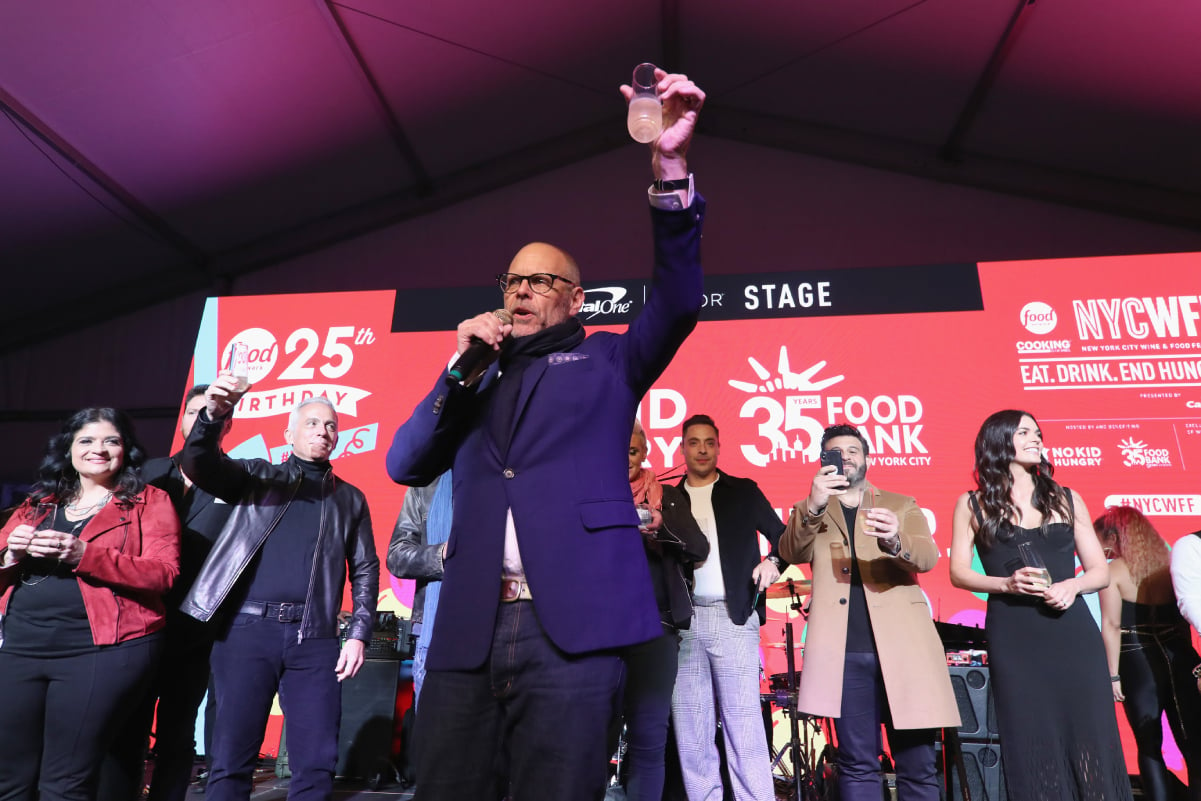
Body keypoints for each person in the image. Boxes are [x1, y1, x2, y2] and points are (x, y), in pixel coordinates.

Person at [385, 68, 707, 801]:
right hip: (467, 625)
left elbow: (681, 297)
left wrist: (669, 172)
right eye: (512, 280)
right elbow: (404, 461)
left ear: (575, 299)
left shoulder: (607, 360)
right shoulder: (476, 376)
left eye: (540, 280)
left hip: (572, 627)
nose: (521, 289)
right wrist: (455, 371)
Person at [179, 384, 379, 801]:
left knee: (316, 763)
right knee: (230, 759)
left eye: (330, 425)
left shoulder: (350, 499)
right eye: (311, 423)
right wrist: (212, 417)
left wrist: (359, 633)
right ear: (289, 434)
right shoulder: (257, 476)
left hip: (316, 640)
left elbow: (364, 568)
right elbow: (199, 463)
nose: (322, 431)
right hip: (246, 632)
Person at [949, 409, 1131, 801]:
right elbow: (958, 573)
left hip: (1072, 634)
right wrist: (1006, 583)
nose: (1037, 438)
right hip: (1015, 637)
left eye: (1038, 432)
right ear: (999, 442)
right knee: (1032, 740)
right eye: (1025, 432)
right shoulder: (972, 504)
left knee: (1091, 735)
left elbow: (1099, 570)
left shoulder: (1066, 497)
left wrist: (1073, 586)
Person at [0, 407, 181, 801]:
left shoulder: (149, 502)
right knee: (9, 779)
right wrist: (10, 555)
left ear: (125, 450)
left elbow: (163, 574)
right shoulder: (38, 503)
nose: (97, 450)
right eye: (86, 441)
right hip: (19, 647)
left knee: (64, 782)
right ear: (68, 450)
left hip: (98, 649)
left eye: (110, 441)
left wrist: (83, 553)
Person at [779, 424, 958, 801]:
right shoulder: (809, 509)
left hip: (905, 650)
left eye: (852, 450)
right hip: (843, 652)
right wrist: (812, 505)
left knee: (918, 767)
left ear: (868, 458)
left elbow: (926, 557)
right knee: (857, 765)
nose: (845, 457)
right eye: (835, 452)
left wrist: (895, 540)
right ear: (822, 462)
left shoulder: (900, 503)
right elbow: (791, 552)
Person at [100, 385, 237, 801]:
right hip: (137, 621)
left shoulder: (237, 481)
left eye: (210, 413)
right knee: (126, 726)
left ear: (226, 424)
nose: (201, 419)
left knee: (178, 734)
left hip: (194, 630)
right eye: (194, 411)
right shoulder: (146, 474)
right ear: (182, 420)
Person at [670, 413, 785, 801]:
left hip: (733, 617)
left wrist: (774, 562)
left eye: (709, 442)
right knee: (691, 728)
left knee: (744, 725)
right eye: (693, 442)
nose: (702, 449)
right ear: (682, 447)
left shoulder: (742, 491)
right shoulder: (668, 497)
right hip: (683, 623)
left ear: (719, 447)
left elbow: (783, 538)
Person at [620, 421, 709, 801]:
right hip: (597, 630)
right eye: (617, 450)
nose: (624, 459)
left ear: (644, 454)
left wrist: (661, 531)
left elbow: (698, 548)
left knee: (649, 735)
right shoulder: (588, 491)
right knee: (591, 733)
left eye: (633, 451)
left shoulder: (668, 498)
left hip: (657, 627)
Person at [1095, 506, 1201, 801]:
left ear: (1113, 537)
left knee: (1149, 746)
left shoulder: (1113, 571)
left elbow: (1112, 625)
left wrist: (1113, 674)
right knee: (1193, 742)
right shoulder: (1170, 564)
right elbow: (1185, 617)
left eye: (1101, 542)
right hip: (1181, 656)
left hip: (1136, 661)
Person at [386, 469, 452, 707]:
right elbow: (396, 555)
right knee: (433, 730)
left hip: (494, 625)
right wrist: (441, 555)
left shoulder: (499, 480)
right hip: (432, 629)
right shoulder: (425, 487)